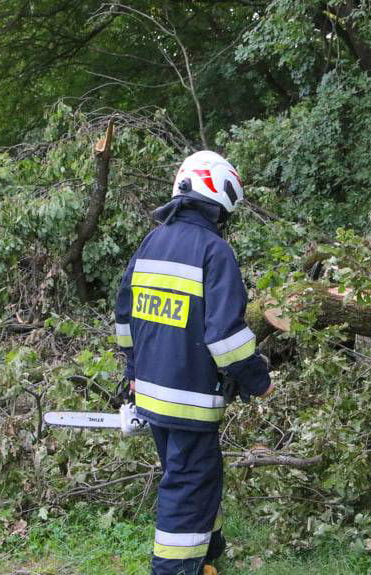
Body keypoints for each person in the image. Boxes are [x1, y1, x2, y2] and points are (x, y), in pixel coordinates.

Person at [114, 151, 273, 575]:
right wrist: (259, 380)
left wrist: (131, 374)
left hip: (150, 391)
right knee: (188, 484)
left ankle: (207, 555)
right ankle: (174, 570)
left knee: (196, 475)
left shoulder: (152, 241)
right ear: (219, 196)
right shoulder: (214, 250)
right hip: (189, 398)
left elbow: (124, 317)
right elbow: (226, 338)